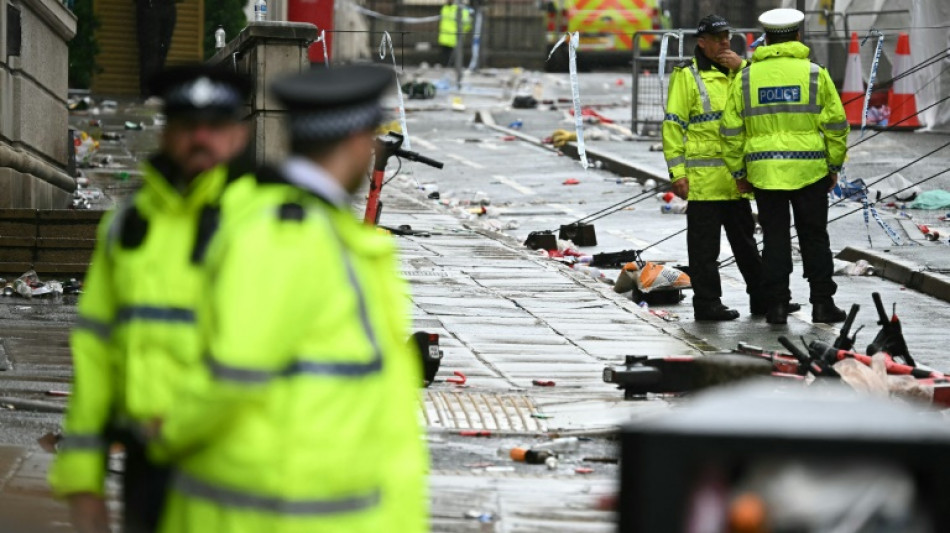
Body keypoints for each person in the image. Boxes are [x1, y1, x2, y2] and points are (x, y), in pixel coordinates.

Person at [148, 64, 427, 533]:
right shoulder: (290, 237)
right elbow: (233, 368)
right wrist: (164, 433)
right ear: (358, 141)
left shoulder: (315, 230)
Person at [48, 65, 252, 533]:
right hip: (148, 471)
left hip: (238, 471)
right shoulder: (128, 226)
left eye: (215, 125)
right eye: (187, 124)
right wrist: (83, 478)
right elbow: (96, 354)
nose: (200, 138)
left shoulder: (270, 225)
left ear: (238, 136)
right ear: (166, 133)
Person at [720, 8, 849, 325]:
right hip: (810, 171)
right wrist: (833, 166)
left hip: (765, 173)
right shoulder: (815, 74)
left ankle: (777, 306)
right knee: (814, 238)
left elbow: (730, 131)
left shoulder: (746, 77)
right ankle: (822, 304)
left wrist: (739, 173)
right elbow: (836, 125)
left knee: (775, 240)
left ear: (765, 39)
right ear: (797, 36)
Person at [663, 15, 774, 321]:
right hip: (704, 181)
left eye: (727, 37)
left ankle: (762, 298)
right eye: (717, 38)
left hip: (736, 178)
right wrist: (677, 172)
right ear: (702, 43)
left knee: (746, 243)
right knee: (704, 249)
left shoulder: (740, 71)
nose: (725, 42)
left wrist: (743, 68)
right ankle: (707, 303)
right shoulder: (688, 75)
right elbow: (673, 126)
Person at [135, 0, 179, 98]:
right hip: (149, 6)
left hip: (167, 6)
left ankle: (155, 90)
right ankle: (149, 91)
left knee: (162, 51)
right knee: (150, 51)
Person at [438, 0, 472, 65]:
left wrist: (461, 32)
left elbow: (467, 24)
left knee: (454, 61)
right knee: (445, 60)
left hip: (455, 39)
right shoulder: (445, 8)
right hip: (444, 38)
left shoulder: (461, 9)